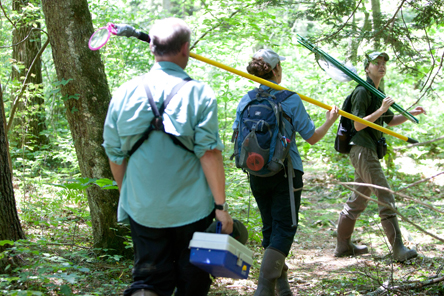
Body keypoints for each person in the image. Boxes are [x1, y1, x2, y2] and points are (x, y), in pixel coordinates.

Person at [102, 17, 233, 296]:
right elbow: (209, 154)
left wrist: (128, 194)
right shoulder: (199, 93)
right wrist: (220, 206)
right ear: (186, 48)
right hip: (193, 208)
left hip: (142, 206)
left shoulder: (124, 93)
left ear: (152, 48)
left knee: (149, 280)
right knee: (193, 278)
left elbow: (114, 153)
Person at [233, 48, 339, 296]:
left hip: (256, 172)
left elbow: (238, 138)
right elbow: (312, 137)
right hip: (286, 174)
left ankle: (281, 287)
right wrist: (329, 121)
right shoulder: (289, 99)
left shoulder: (246, 99)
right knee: (284, 229)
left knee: (270, 227)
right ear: (276, 69)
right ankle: (263, 289)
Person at [334, 52, 426, 262]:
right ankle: (398, 250)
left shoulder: (377, 92)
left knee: (358, 200)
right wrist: (382, 108)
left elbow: (390, 121)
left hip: (367, 150)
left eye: (383, 63)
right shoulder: (362, 91)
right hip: (363, 149)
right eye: (376, 63)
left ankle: (343, 246)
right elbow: (358, 124)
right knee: (385, 195)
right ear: (367, 68)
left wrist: (412, 113)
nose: (381, 66)